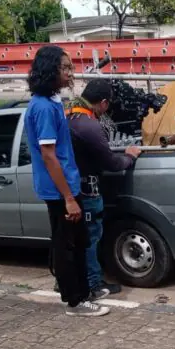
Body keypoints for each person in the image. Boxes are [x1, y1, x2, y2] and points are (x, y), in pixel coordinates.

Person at [24, 45, 109, 318]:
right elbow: (49, 156)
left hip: (68, 186)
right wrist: (69, 199)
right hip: (60, 191)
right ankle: (75, 300)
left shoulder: (50, 103)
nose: (70, 73)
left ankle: (85, 290)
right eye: (65, 68)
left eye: (69, 67)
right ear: (50, 70)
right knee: (68, 246)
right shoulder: (43, 108)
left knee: (79, 241)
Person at [64, 79, 143, 299]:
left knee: (72, 240)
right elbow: (112, 163)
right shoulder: (89, 125)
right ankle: (94, 285)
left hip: (71, 190)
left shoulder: (68, 115)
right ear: (104, 103)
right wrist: (129, 156)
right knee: (91, 239)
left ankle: (70, 280)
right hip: (87, 192)